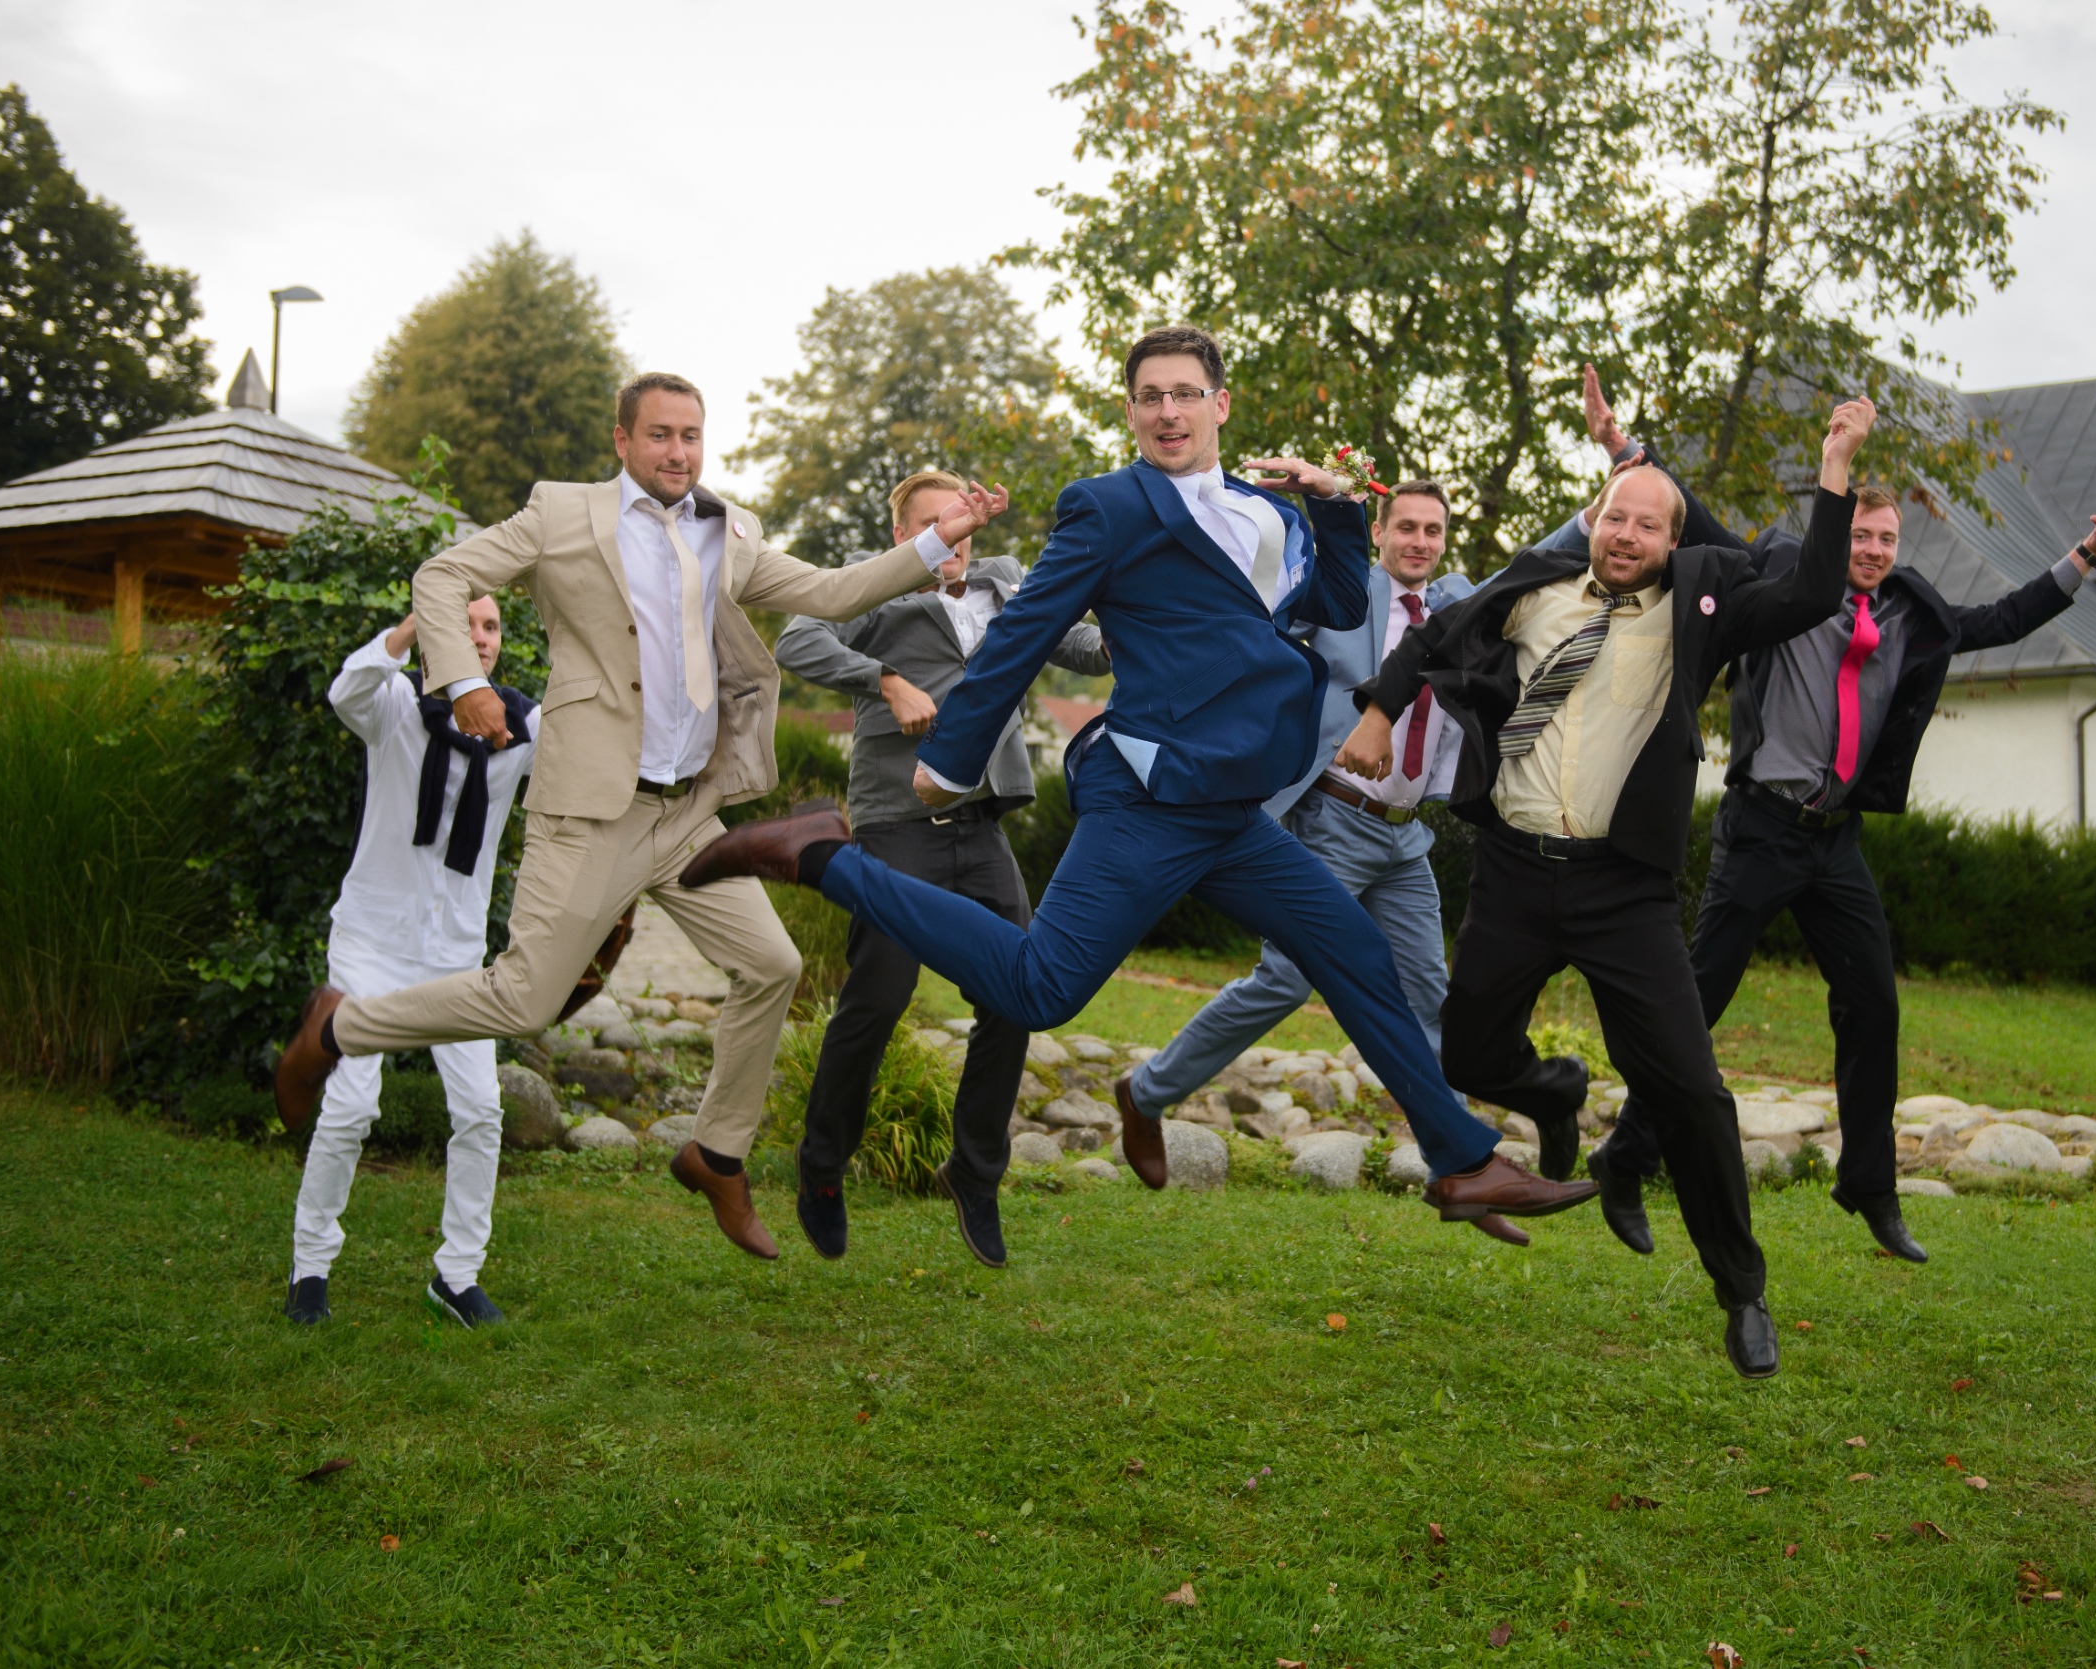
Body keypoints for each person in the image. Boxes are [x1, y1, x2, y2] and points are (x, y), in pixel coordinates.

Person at [684, 325, 1597, 1230]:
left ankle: (1461, 1163)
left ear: (1219, 404)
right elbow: (1026, 630)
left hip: (1231, 807)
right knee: (1039, 989)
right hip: (1152, 794)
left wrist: (1333, 506)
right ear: (1130, 412)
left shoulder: (1268, 514)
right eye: (1150, 396)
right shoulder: (1107, 507)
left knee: (1354, 951)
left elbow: (1338, 602)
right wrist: (952, 758)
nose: (1168, 411)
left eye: (1185, 393)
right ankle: (823, 857)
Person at [273, 373, 1012, 1263]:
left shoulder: (730, 529)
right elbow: (444, 574)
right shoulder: (562, 513)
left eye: (691, 435)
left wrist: (938, 537)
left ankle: (716, 1152)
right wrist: (463, 680)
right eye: (660, 434)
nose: (678, 451)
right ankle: (337, 1027)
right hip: (595, 807)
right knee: (522, 999)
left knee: (772, 964)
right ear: (622, 440)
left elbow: (831, 593)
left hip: (687, 812)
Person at [1336, 398, 1879, 1377]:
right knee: (1469, 1049)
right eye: (1615, 516)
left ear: (1673, 539)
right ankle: (1556, 1092)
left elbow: (1809, 591)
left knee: (1692, 1090)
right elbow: (1432, 637)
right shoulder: (1532, 585)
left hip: (1623, 890)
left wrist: (1835, 468)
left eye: (1649, 523)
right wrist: (1379, 711)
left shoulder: (1704, 603)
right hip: (1513, 871)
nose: (1627, 534)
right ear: (1593, 518)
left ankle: (1741, 1290)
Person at [1572, 368, 2096, 1265]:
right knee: (1698, 1002)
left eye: (1887, 538)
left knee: (1873, 1007)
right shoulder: (1779, 576)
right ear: (1836, 529)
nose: (1875, 550)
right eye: (1861, 534)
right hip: (1761, 829)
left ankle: (1871, 1186)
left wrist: (2087, 555)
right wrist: (1624, 448)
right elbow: (1703, 525)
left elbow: (2002, 619)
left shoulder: (1911, 614)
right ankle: (1627, 1155)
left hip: (1834, 841)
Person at [1115, 480, 1536, 1241]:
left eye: (1432, 530)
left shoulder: (1454, 601)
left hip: (1404, 835)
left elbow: (1528, 572)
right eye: (1405, 527)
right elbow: (1260, 610)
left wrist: (1604, 498)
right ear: (1379, 533)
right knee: (1285, 978)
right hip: (1332, 817)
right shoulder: (1347, 594)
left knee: (1427, 994)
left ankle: (1463, 1172)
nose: (1419, 541)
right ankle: (1146, 1091)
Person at [772, 469, 1112, 1269]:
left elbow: (1087, 649)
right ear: (903, 537)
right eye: (931, 523)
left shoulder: (1008, 583)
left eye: (959, 519)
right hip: (897, 822)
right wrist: (883, 679)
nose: (950, 536)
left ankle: (975, 1170)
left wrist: (1137, 609)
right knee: (879, 995)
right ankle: (822, 1162)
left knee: (1018, 992)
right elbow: (796, 641)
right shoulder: (874, 587)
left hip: (981, 825)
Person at [284, 598, 537, 1329]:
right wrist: (417, 624)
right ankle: (310, 1267)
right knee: (351, 1104)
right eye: (466, 624)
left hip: (456, 956)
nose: (481, 639)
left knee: (481, 1109)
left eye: (491, 627)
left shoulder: (522, 728)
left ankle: (457, 1277)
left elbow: (595, 731)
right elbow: (348, 688)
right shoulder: (393, 707)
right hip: (371, 944)